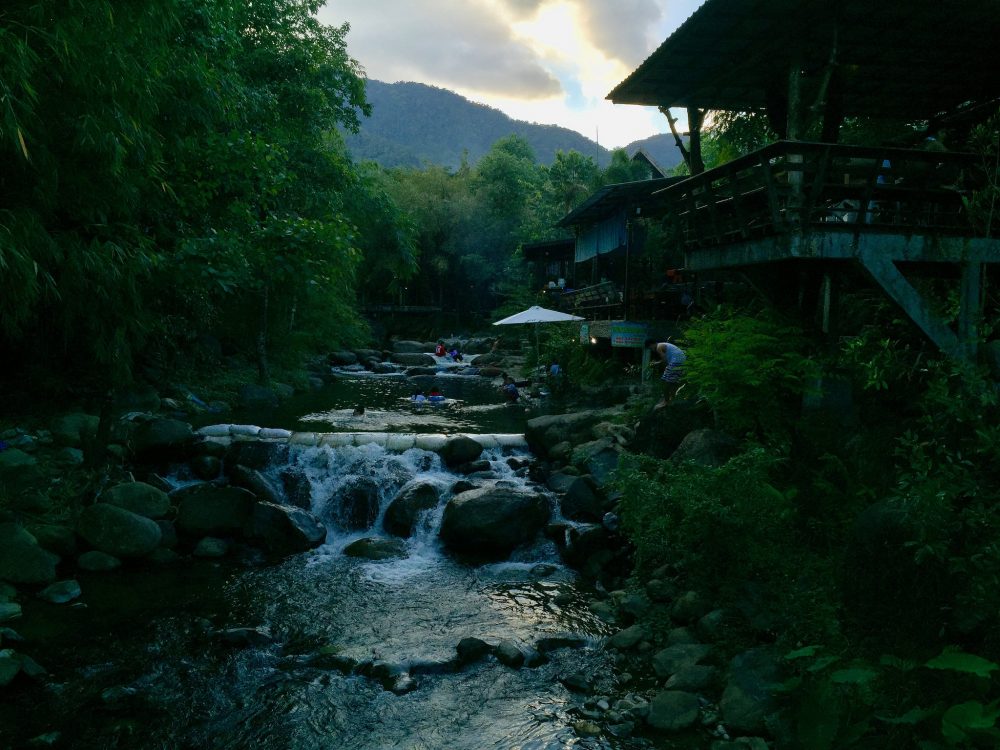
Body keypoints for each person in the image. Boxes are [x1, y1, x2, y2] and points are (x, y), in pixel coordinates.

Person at [646, 339, 686, 408]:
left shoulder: (658, 347)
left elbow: (664, 360)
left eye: (650, 348)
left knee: (665, 382)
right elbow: (666, 359)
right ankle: (671, 399)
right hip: (681, 360)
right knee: (673, 382)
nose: (652, 350)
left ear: (652, 344)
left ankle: (666, 401)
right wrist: (658, 363)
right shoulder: (662, 344)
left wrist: (658, 365)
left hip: (676, 361)